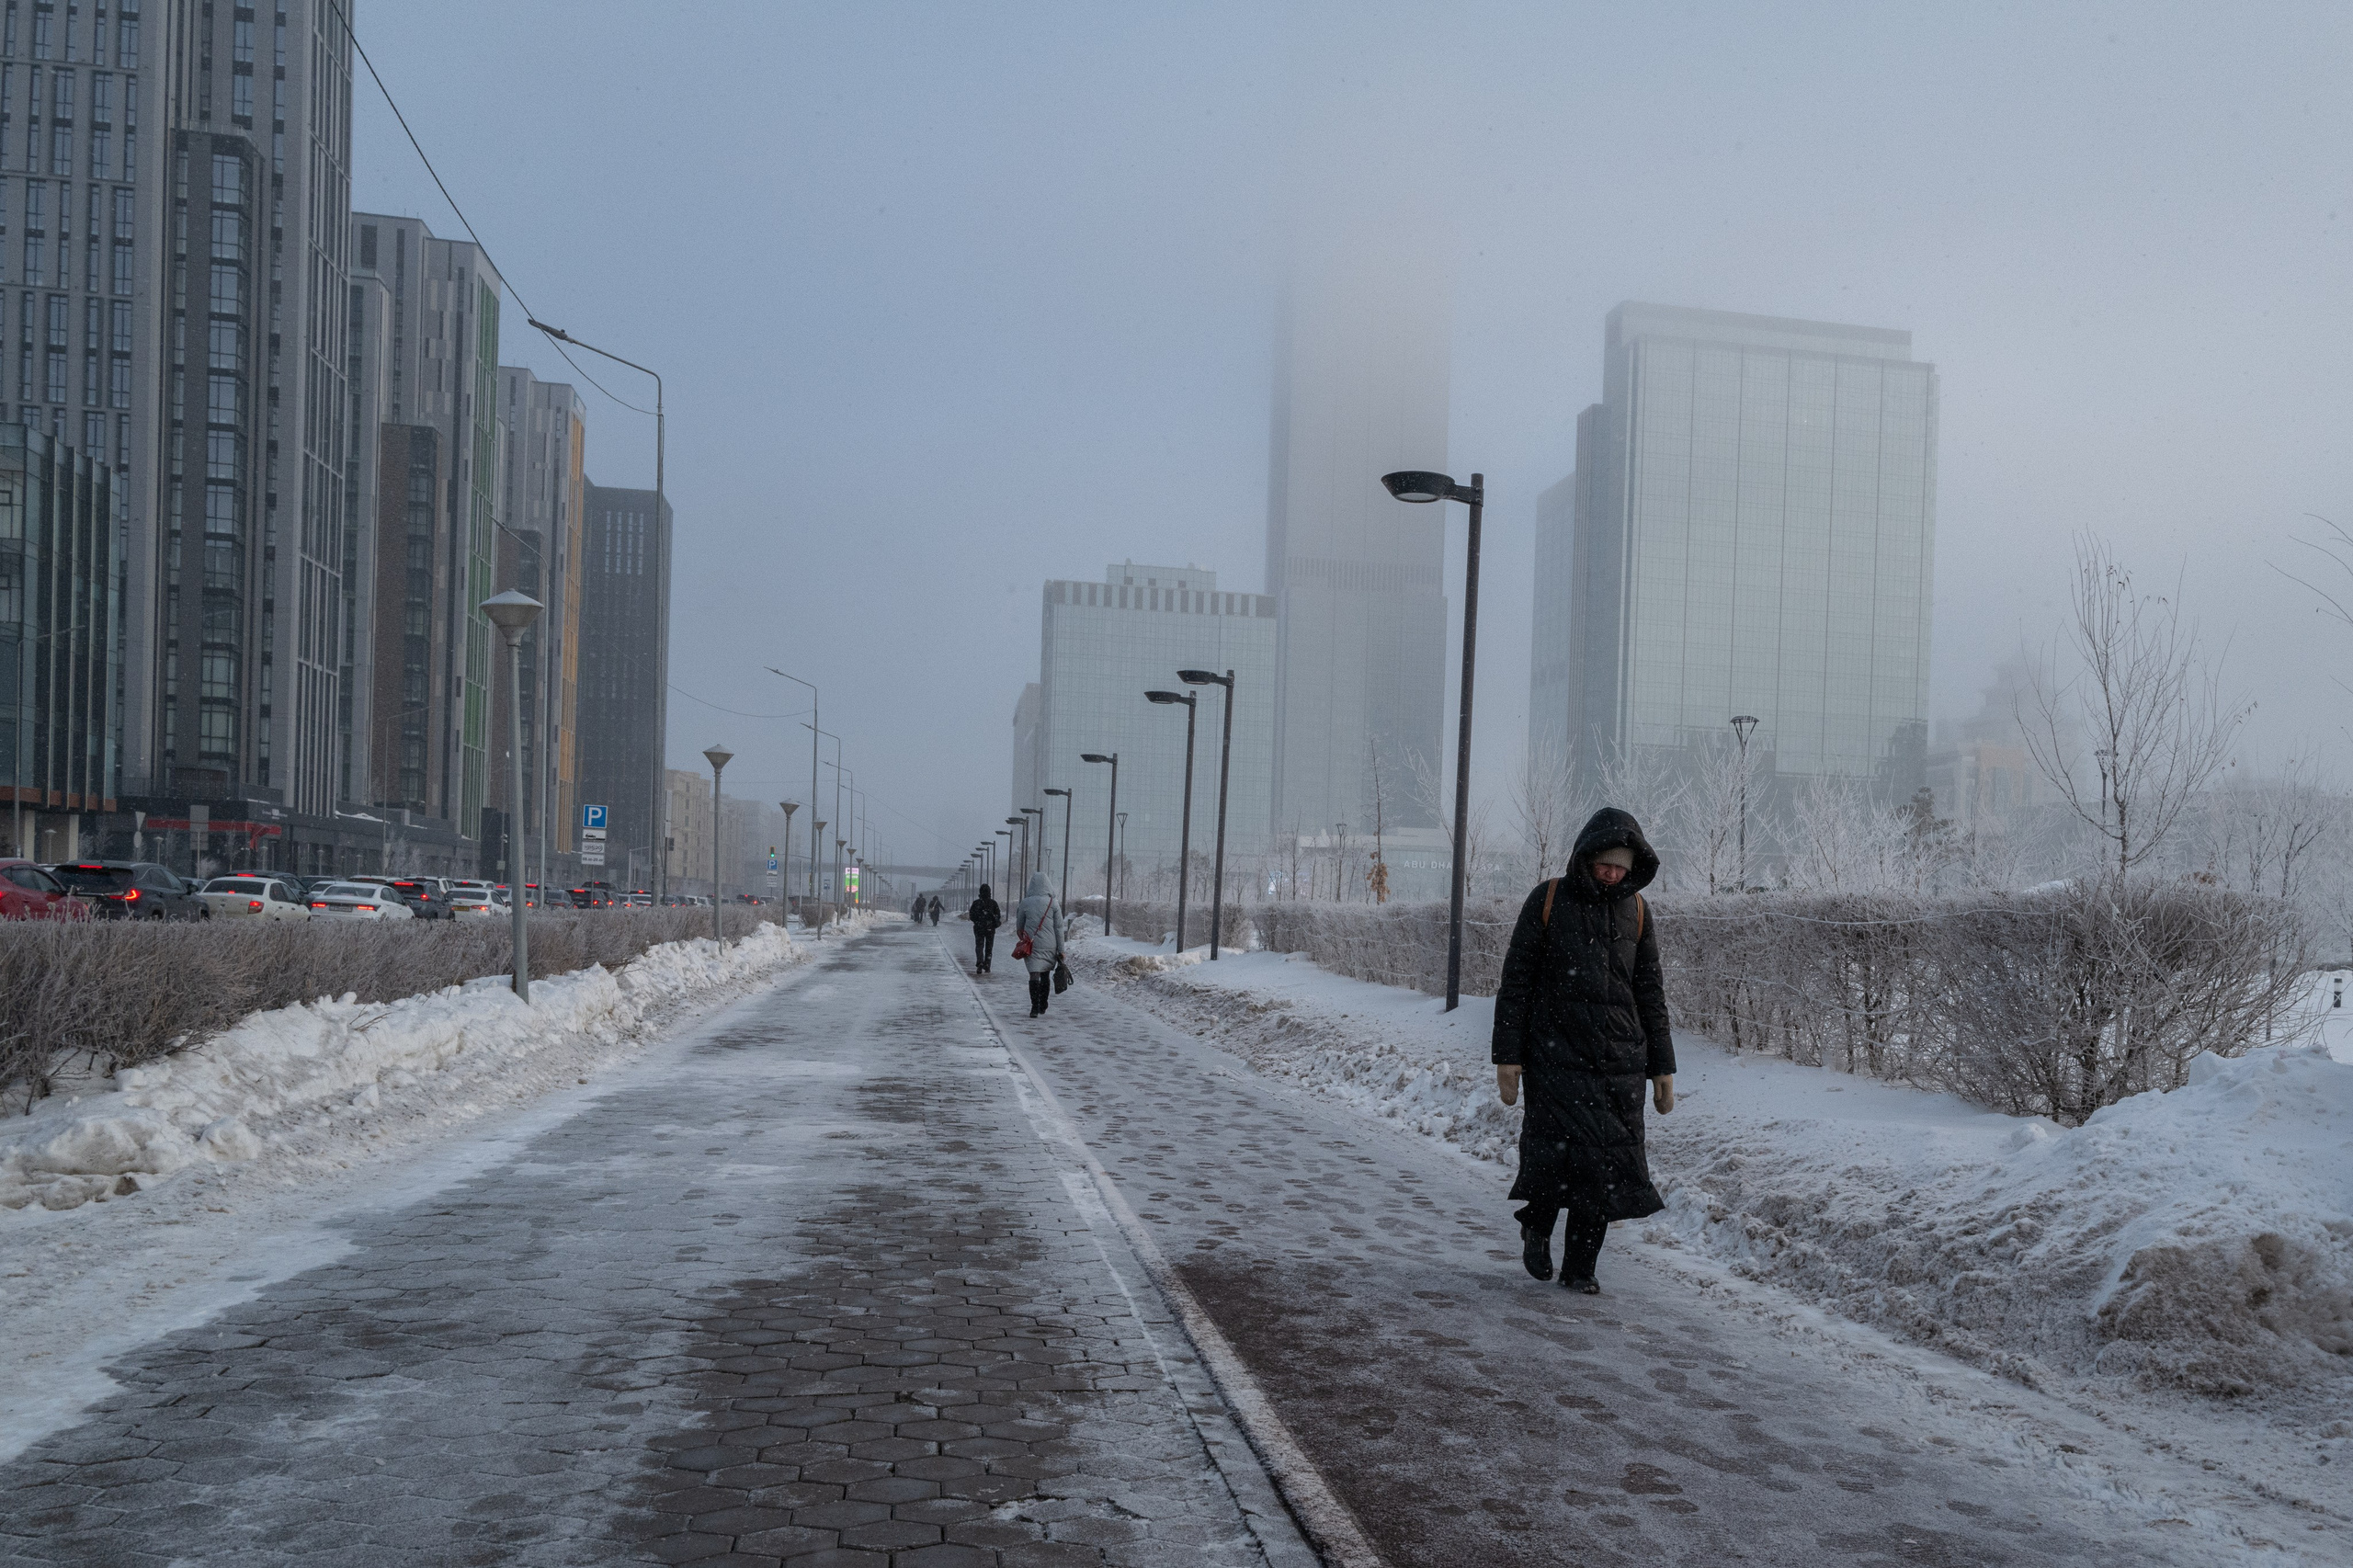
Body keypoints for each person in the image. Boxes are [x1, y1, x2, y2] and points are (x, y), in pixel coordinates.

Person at [1491, 807, 1676, 1294]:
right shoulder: (1549, 899)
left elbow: (1649, 991)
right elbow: (1517, 982)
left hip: (1619, 1064)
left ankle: (1581, 1268)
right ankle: (1537, 1228)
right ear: (1586, 858)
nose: (1613, 873)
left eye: (1621, 866)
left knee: (1605, 1169)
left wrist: (1663, 1066)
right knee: (1555, 1160)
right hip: (1554, 1058)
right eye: (1605, 864)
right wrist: (1507, 1057)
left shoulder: (1636, 911)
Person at [1013, 871, 1063, 1017]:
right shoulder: (1052, 903)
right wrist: (1061, 949)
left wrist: (1024, 937)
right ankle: (1044, 1003)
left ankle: (1034, 1007)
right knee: (1046, 974)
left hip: (1032, 945)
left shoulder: (1025, 903)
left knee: (1034, 975)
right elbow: (1059, 928)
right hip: (1050, 945)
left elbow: (1019, 927)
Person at [967, 883, 1002, 972]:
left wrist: (978, 921)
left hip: (979, 928)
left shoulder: (976, 903)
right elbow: (998, 916)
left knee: (979, 945)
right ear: (990, 892)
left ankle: (980, 962)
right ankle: (987, 964)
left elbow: (971, 915)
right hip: (990, 928)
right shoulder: (993, 903)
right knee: (989, 947)